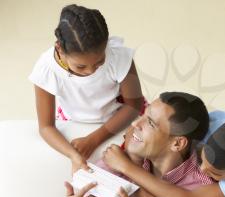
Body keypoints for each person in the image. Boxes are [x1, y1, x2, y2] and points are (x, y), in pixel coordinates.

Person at [61, 92, 225, 197]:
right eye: (144, 114)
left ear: (177, 143)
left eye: (150, 123)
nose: (135, 123)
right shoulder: (118, 163)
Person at [28, 4, 144, 172]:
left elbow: (133, 105)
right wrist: (73, 155)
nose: (91, 71)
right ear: (59, 49)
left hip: (120, 115)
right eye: (81, 66)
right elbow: (46, 127)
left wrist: (93, 140)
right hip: (73, 120)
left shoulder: (118, 57)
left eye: (99, 62)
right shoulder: (46, 69)